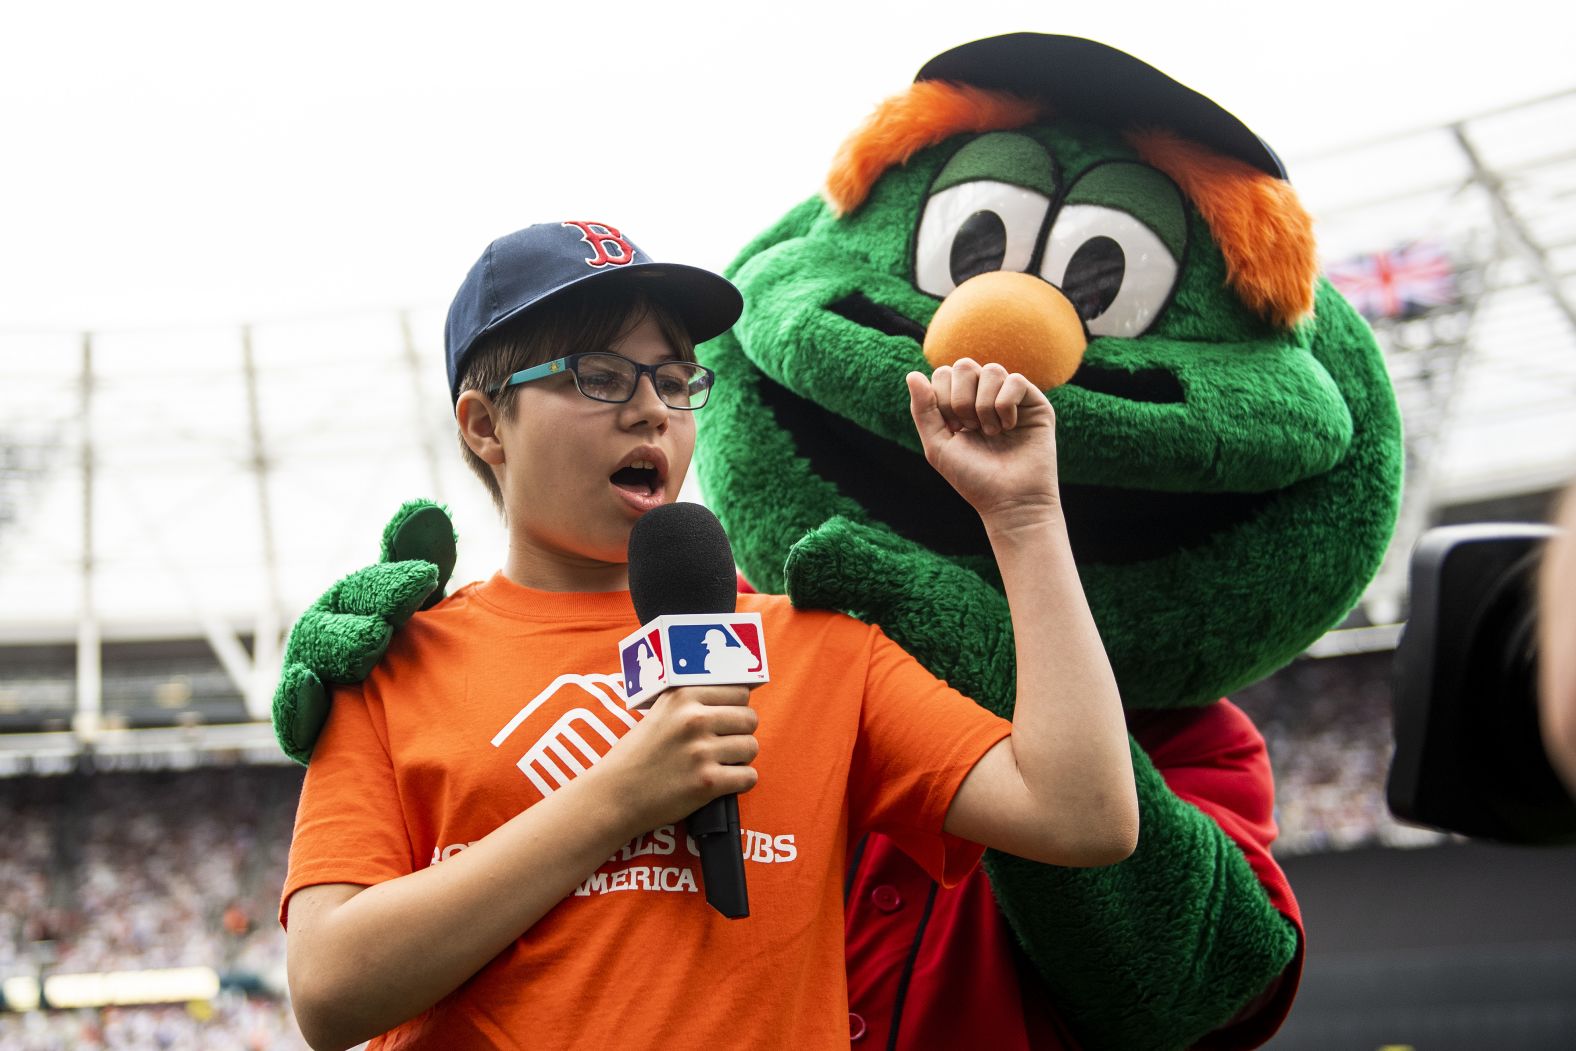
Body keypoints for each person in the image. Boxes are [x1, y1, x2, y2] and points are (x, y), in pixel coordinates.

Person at [280, 220, 1138, 1051]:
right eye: (600, 376)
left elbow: (1084, 814)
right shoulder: (388, 661)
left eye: (674, 379)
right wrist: (623, 793)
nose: (653, 410)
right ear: (483, 423)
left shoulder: (817, 647)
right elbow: (327, 992)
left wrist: (1024, 515)